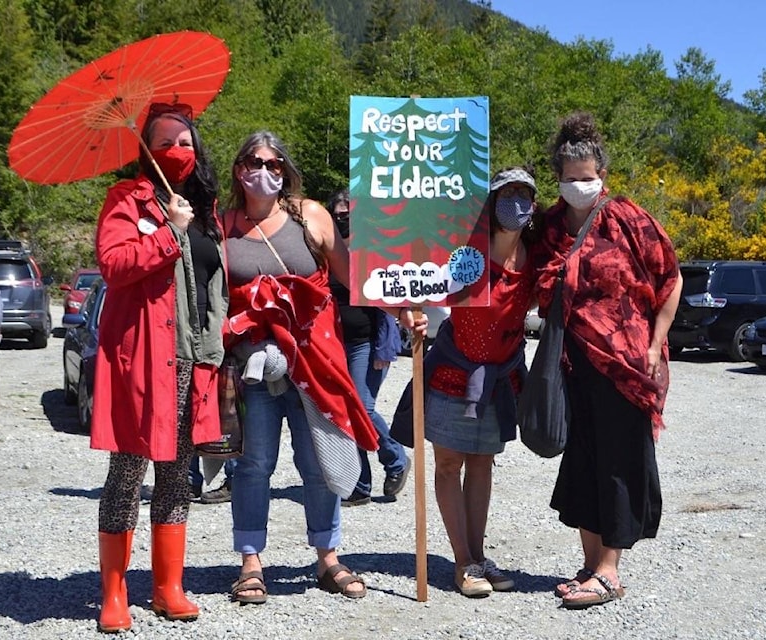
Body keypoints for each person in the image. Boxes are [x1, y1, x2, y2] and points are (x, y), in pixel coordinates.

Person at [221, 131, 426, 604]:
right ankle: (251, 561)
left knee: (320, 461)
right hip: (255, 361)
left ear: (286, 171)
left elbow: (354, 275)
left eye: (276, 164)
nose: (266, 171)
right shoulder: (224, 223)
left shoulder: (308, 215)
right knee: (254, 464)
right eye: (256, 161)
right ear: (239, 168)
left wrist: (403, 310)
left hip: (313, 357)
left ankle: (328, 557)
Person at [534, 112, 683, 609]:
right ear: (558, 176)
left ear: (602, 173)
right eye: (571, 178)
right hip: (570, 365)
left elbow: (672, 278)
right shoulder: (549, 225)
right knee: (583, 461)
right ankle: (588, 563)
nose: (580, 185)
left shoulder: (628, 218)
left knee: (619, 461)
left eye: (588, 176)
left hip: (625, 364)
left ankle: (610, 572)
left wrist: (655, 341)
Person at [90, 103, 228, 633]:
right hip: (143, 360)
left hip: (194, 360)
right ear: (146, 148)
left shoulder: (203, 208)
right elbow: (114, 265)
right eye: (167, 141)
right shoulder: (126, 199)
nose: (179, 150)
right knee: (126, 474)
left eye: (187, 141)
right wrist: (168, 232)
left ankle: (169, 587)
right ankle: (115, 593)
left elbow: (214, 283)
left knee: (176, 477)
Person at [391, 166, 542, 598]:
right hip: (454, 371)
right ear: (491, 201)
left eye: (524, 193)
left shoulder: (535, 255)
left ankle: (477, 554)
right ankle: (463, 561)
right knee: (448, 464)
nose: (515, 201)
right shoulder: (463, 248)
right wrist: (414, 314)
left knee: (481, 464)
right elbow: (419, 278)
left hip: (500, 377)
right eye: (507, 192)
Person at [325, 189, 411, 507]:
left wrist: (384, 352)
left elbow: (388, 311)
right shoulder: (327, 254)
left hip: (367, 345)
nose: (341, 219)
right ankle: (360, 484)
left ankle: (395, 459)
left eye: (347, 214)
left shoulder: (371, 254)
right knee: (347, 412)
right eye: (336, 213)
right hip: (334, 345)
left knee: (363, 407)